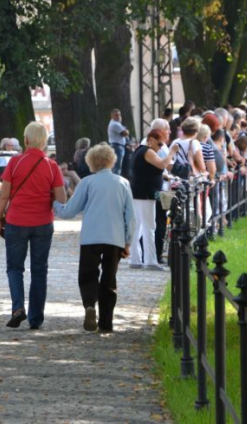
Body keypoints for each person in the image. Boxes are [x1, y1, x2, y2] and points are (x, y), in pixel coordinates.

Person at [53, 144, 135, 333]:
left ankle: (89, 304)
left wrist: (55, 204)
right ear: (112, 160)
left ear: (90, 162)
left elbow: (70, 211)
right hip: (115, 237)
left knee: (87, 274)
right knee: (109, 278)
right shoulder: (123, 183)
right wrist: (128, 241)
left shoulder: (87, 183)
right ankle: (107, 322)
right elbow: (130, 216)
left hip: (91, 237)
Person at [0, 122, 67, 330]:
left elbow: (4, 195)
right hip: (43, 222)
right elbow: (61, 198)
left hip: (17, 222)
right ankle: (36, 318)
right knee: (39, 270)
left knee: (15, 267)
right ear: (44, 142)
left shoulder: (15, 163)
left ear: (25, 140)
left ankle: (18, 308)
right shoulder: (51, 166)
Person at [129, 131, 176, 270]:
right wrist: (172, 151)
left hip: (140, 192)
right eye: (159, 143)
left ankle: (135, 258)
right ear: (151, 140)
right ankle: (150, 260)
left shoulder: (141, 151)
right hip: (144, 193)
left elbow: (152, 169)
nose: (161, 147)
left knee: (138, 226)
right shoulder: (147, 151)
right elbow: (162, 164)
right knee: (149, 226)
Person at [108, 109, 129, 175]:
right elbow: (125, 133)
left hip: (119, 146)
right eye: (116, 115)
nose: (118, 116)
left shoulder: (117, 124)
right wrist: (126, 130)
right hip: (117, 146)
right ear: (112, 116)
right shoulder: (115, 124)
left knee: (118, 166)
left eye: (119, 115)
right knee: (117, 166)